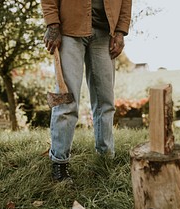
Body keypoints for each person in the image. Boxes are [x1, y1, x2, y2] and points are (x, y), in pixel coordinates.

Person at [41, 0, 132, 182]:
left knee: (105, 101)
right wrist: (52, 24)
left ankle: (105, 160)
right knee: (67, 100)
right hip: (69, 30)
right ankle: (59, 162)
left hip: (105, 33)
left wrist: (120, 32)